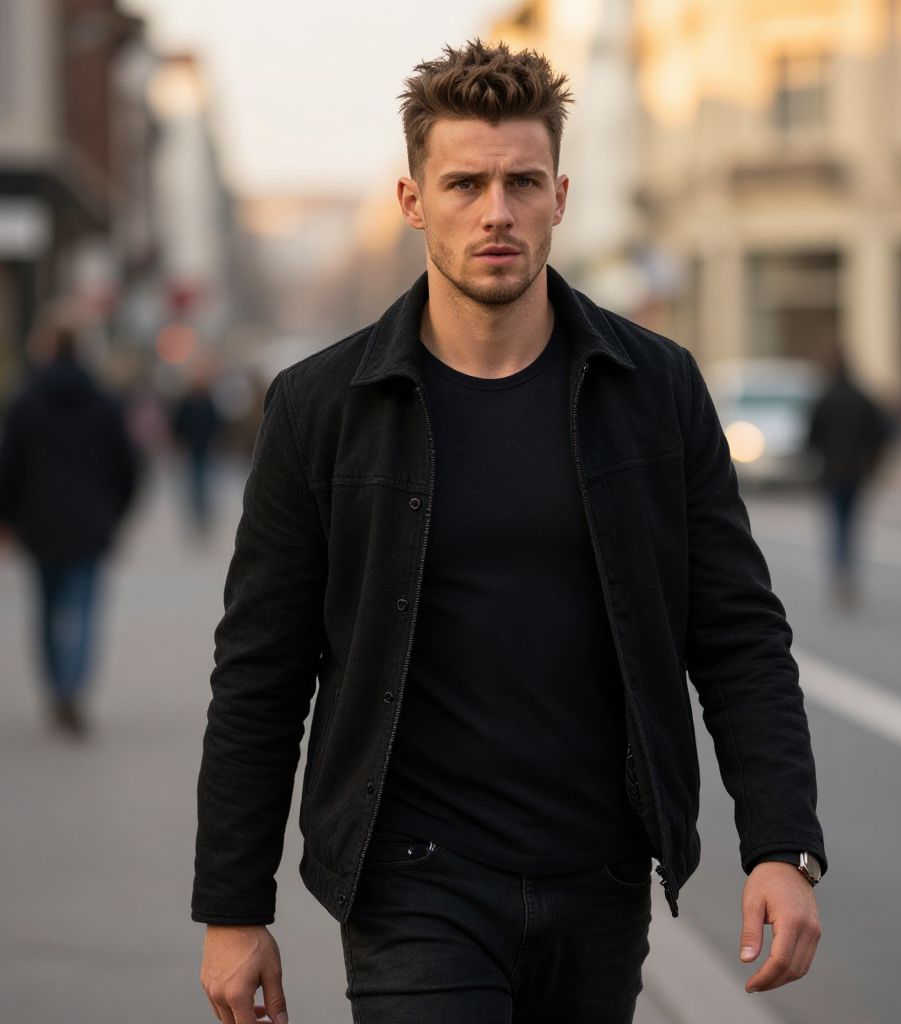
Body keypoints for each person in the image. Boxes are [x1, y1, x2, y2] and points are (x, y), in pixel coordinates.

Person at [194, 40, 826, 1024]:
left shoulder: (653, 391)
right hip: (411, 877)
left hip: (601, 874)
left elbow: (738, 634)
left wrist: (780, 845)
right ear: (413, 200)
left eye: (522, 182)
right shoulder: (322, 406)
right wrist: (232, 908)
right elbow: (261, 666)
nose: (496, 211)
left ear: (560, 195)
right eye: (465, 183)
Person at [0, 313, 138, 737]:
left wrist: (1, 517)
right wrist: (115, 512)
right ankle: (74, 689)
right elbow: (127, 466)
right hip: (91, 524)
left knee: (48, 609)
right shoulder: (104, 401)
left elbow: (6, 466)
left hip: (39, 526)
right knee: (85, 609)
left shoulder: (25, 400)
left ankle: (57, 689)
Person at [807, 349, 890, 608]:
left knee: (837, 524)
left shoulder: (825, 398)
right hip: (856, 472)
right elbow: (880, 434)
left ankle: (840, 571)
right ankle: (847, 571)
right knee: (850, 524)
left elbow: (811, 437)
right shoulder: (861, 398)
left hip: (832, 473)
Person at [171, 361, 222, 537]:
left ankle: (204, 515)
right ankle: (196, 515)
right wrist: (179, 443)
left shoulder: (209, 402)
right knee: (194, 484)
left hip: (206, 449)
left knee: (205, 483)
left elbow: (217, 424)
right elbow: (178, 424)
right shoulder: (186, 403)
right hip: (192, 449)